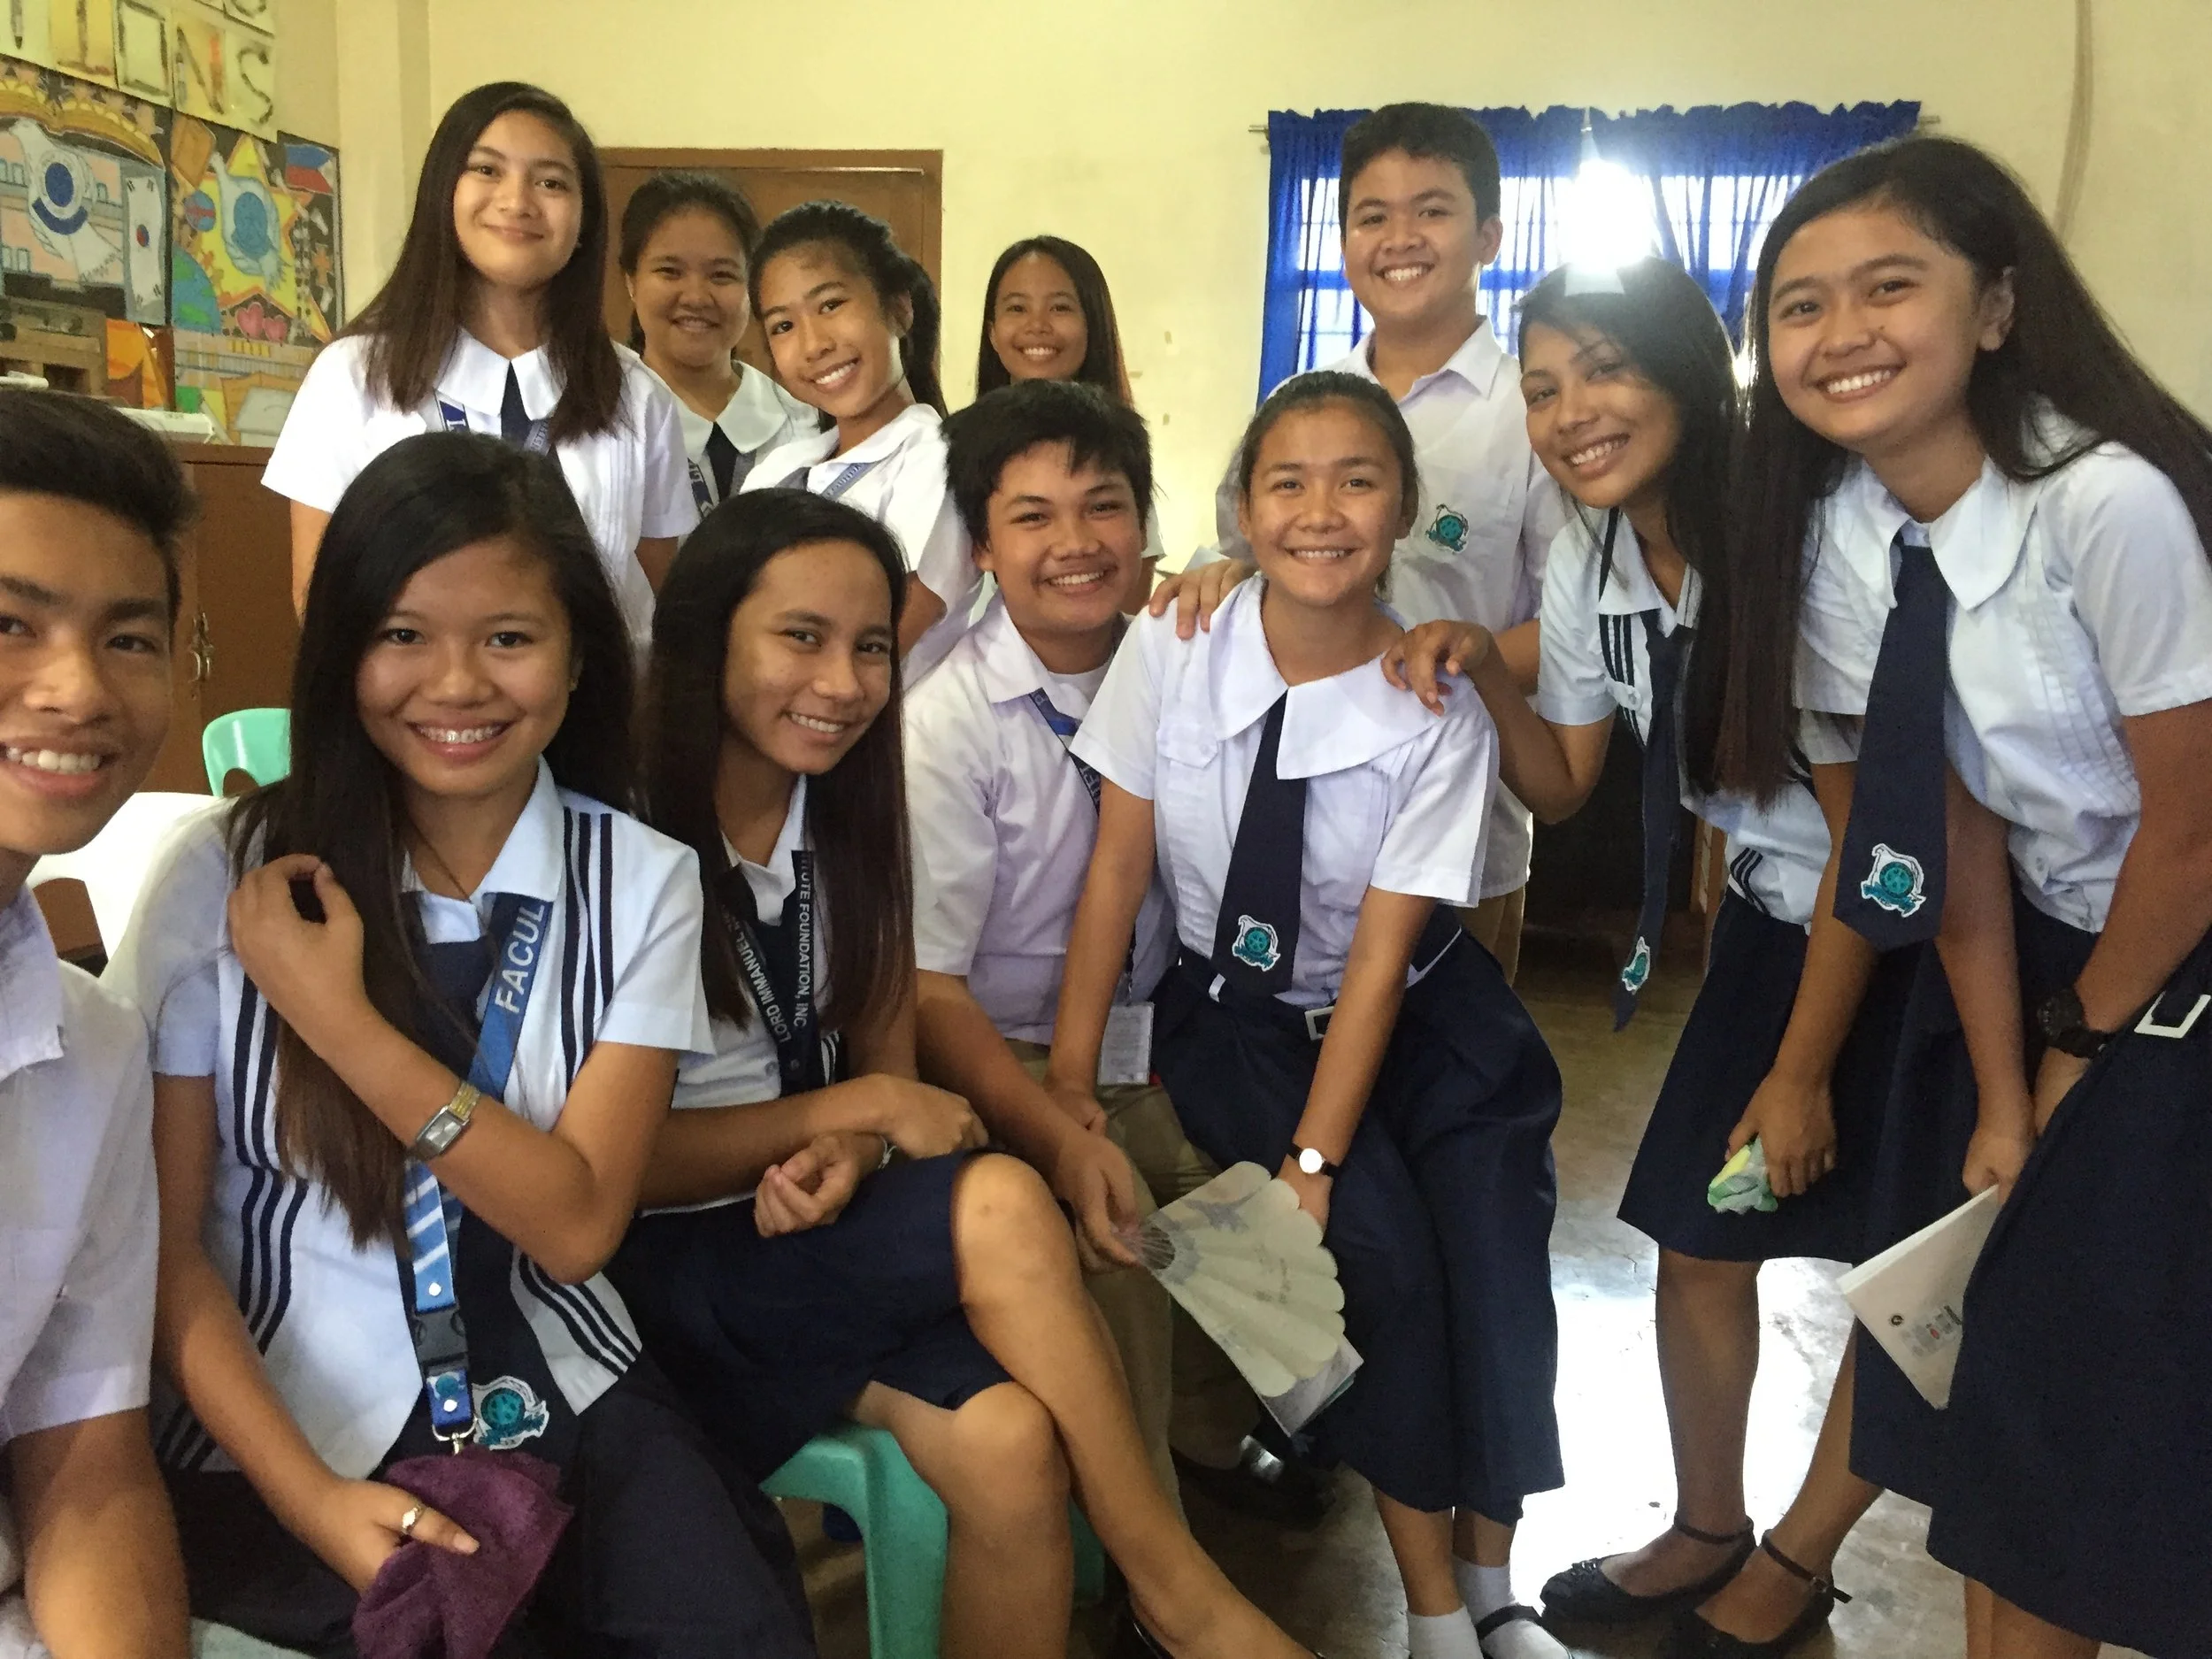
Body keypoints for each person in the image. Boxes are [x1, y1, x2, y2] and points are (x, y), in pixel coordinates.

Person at [114, 434, 814, 1658]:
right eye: (402, 635)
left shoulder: (640, 879)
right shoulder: (219, 877)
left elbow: (580, 1219)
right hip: (282, 1416)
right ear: (342, 652)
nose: (457, 684)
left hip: (557, 1382)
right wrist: (310, 1497)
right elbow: (167, 1253)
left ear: (578, 651)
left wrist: (337, 1019)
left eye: (508, 636)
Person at [605, 488, 1314, 1659]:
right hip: (673, 1268)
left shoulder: (845, 811)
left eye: (872, 645)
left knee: (1011, 1448)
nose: (842, 680)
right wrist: (862, 1107)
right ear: (704, 635)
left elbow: (886, 1051)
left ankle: (1164, 1587)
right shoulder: (623, 841)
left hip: (817, 1238)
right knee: (996, 1194)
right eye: (800, 637)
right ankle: (1177, 1590)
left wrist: (857, 1143)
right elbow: (611, 1171)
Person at [1387, 258, 1912, 1657]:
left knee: (1902, 1276)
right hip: (1770, 918)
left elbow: (1879, 843)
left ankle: (1799, 1556)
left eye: (1606, 370)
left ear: (1689, 370)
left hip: (1907, 934)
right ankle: (1708, 1519)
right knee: (1694, 1233)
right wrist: (1483, 668)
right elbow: (1561, 782)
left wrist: (1801, 1074)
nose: (1572, 414)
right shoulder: (1592, 560)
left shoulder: (1807, 538)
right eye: (1545, 387)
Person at [1743, 136, 2212, 1659]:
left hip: (2179, 956)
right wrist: (2007, 1091)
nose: (1843, 333)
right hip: (2048, 953)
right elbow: (1948, 844)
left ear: (1997, 309)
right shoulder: (1849, 537)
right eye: (1801, 306)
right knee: (1995, 1394)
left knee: (2085, 1418)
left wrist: (2071, 1063)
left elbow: (2192, 841)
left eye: (1893, 287)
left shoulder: (2106, 502)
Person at [1052, 373, 1566, 1659]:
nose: (1321, 511)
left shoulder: (1430, 701)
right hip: (1242, 1017)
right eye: (1288, 481)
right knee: (1381, 1263)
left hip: (1416, 1007)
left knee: (1495, 1232)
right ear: (1242, 508)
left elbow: (1388, 961)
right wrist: (1068, 1077)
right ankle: (1432, 1610)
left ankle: (1497, 1582)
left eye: (1358, 480)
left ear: (1402, 510)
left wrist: (1315, 1159)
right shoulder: (1173, 641)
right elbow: (1119, 867)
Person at [910, 379, 1323, 1525]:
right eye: (1032, 516)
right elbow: (929, 992)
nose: (1076, 543)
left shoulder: (1188, 646)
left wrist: (1242, 581)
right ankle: (1154, 1562)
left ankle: (1209, 1431)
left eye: (1103, 507)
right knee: (1135, 1238)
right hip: (1001, 1053)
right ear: (983, 542)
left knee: (1291, 1216)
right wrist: (1051, 1108)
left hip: (1166, 1025)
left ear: (1145, 519)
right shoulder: (946, 723)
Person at [1152, 103, 1564, 984]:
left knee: (1434, 1079)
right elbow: (1255, 558)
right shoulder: (1305, 396)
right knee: (1276, 1058)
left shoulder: (1533, 416)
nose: (1399, 237)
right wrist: (1217, 576)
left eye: (1433, 210)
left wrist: (1455, 658)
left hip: (1459, 831)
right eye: (1371, 215)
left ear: (1488, 235)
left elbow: (1569, 637)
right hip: (1284, 813)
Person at [265, 81, 693, 654]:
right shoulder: (352, 375)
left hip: (595, 723)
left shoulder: (634, 394)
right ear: (444, 192)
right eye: (488, 170)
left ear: (586, 219)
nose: (517, 201)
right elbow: (320, 596)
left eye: (551, 182)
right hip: (417, 717)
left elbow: (668, 601)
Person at [0, 391, 192, 1659]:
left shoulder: (95, 1049)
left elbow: (85, 1459)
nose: (74, 690)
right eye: (10, 623)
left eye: (129, 638)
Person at [741, 202, 979, 681]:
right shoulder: (778, 468)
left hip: (883, 740)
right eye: (783, 326)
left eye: (831, 305)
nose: (814, 345)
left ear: (899, 309)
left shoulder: (941, 460)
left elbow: (882, 647)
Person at [619, 169, 818, 518]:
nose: (696, 297)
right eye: (670, 271)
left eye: (722, 275)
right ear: (631, 281)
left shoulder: (806, 428)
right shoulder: (598, 423)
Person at [973, 236, 1158, 607]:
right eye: (1016, 308)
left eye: (1059, 308)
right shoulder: (958, 447)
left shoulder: (1117, 455)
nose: (1037, 326)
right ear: (993, 332)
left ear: (1093, 324)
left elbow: (1122, 614)